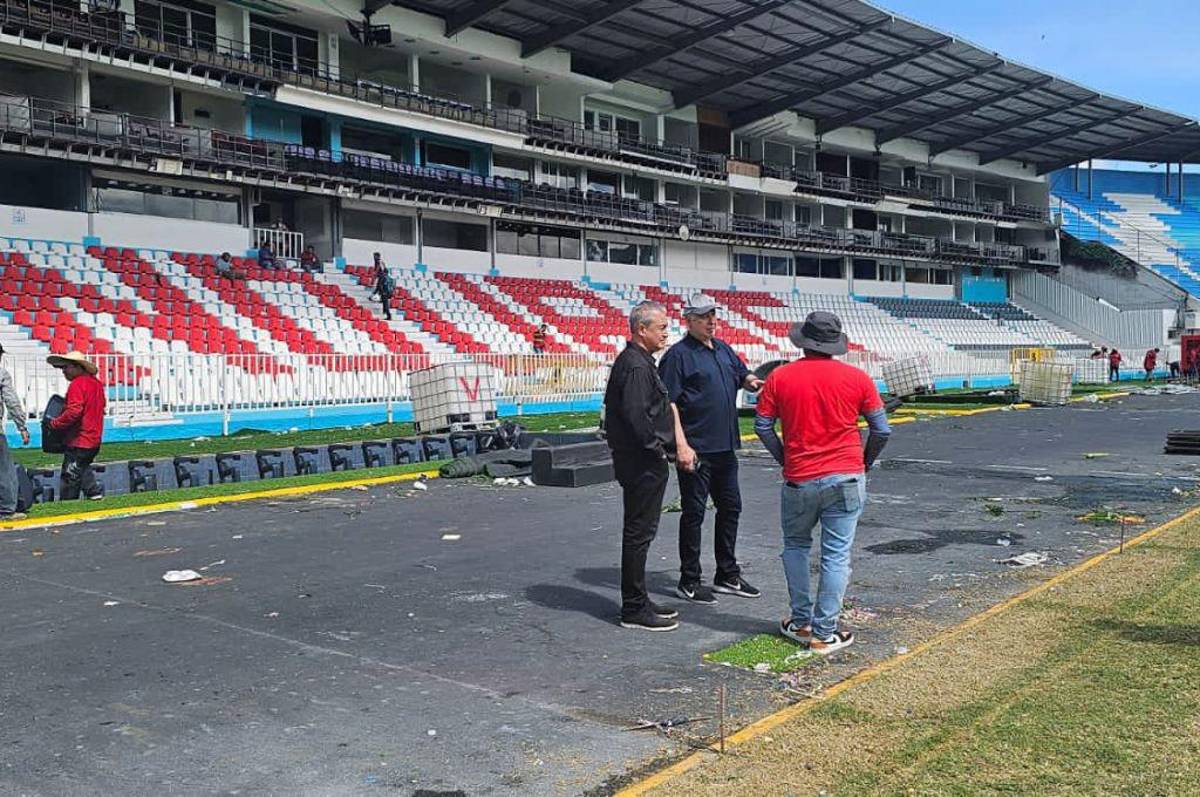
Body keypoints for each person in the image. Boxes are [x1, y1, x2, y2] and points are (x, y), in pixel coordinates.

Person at [754, 312, 891, 655]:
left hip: (799, 477)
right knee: (836, 555)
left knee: (796, 546)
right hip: (846, 475)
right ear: (834, 345)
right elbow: (881, 430)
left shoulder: (780, 377)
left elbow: (762, 426)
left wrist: (785, 458)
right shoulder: (857, 378)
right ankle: (825, 632)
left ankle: (801, 621)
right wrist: (864, 462)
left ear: (803, 342)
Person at [658, 293, 763, 605]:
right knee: (694, 513)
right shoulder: (678, 356)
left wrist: (752, 380)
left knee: (731, 508)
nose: (711, 321)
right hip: (697, 448)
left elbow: (742, 374)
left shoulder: (722, 349)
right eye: (704, 317)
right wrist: (681, 445)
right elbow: (668, 403)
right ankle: (689, 579)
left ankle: (727, 574)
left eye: (713, 315)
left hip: (724, 447)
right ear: (689, 320)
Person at [604, 301, 690, 632]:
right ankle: (634, 607)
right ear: (642, 330)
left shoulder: (639, 362)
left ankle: (638, 600)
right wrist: (657, 452)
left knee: (641, 533)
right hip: (642, 463)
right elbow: (637, 417)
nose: (666, 334)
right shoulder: (636, 366)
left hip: (642, 461)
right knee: (639, 533)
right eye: (661, 328)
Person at [46, 351, 106, 501]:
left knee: (70, 475)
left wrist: (55, 423)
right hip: (93, 438)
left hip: (79, 439)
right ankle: (93, 493)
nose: (63, 371)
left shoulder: (77, 384)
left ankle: (71, 503)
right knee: (82, 468)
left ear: (77, 367)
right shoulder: (96, 384)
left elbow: (74, 411)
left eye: (65, 367)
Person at [0, 344, 30, 520]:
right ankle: (5, 510)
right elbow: (11, 401)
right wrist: (22, 426)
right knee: (5, 470)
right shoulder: (2, 374)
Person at [373, 253, 394, 321]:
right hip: (388, 292)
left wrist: (375, 292)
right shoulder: (389, 278)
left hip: (384, 292)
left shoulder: (382, 276)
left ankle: (388, 315)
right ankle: (386, 314)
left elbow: (379, 285)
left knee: (385, 304)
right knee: (385, 303)